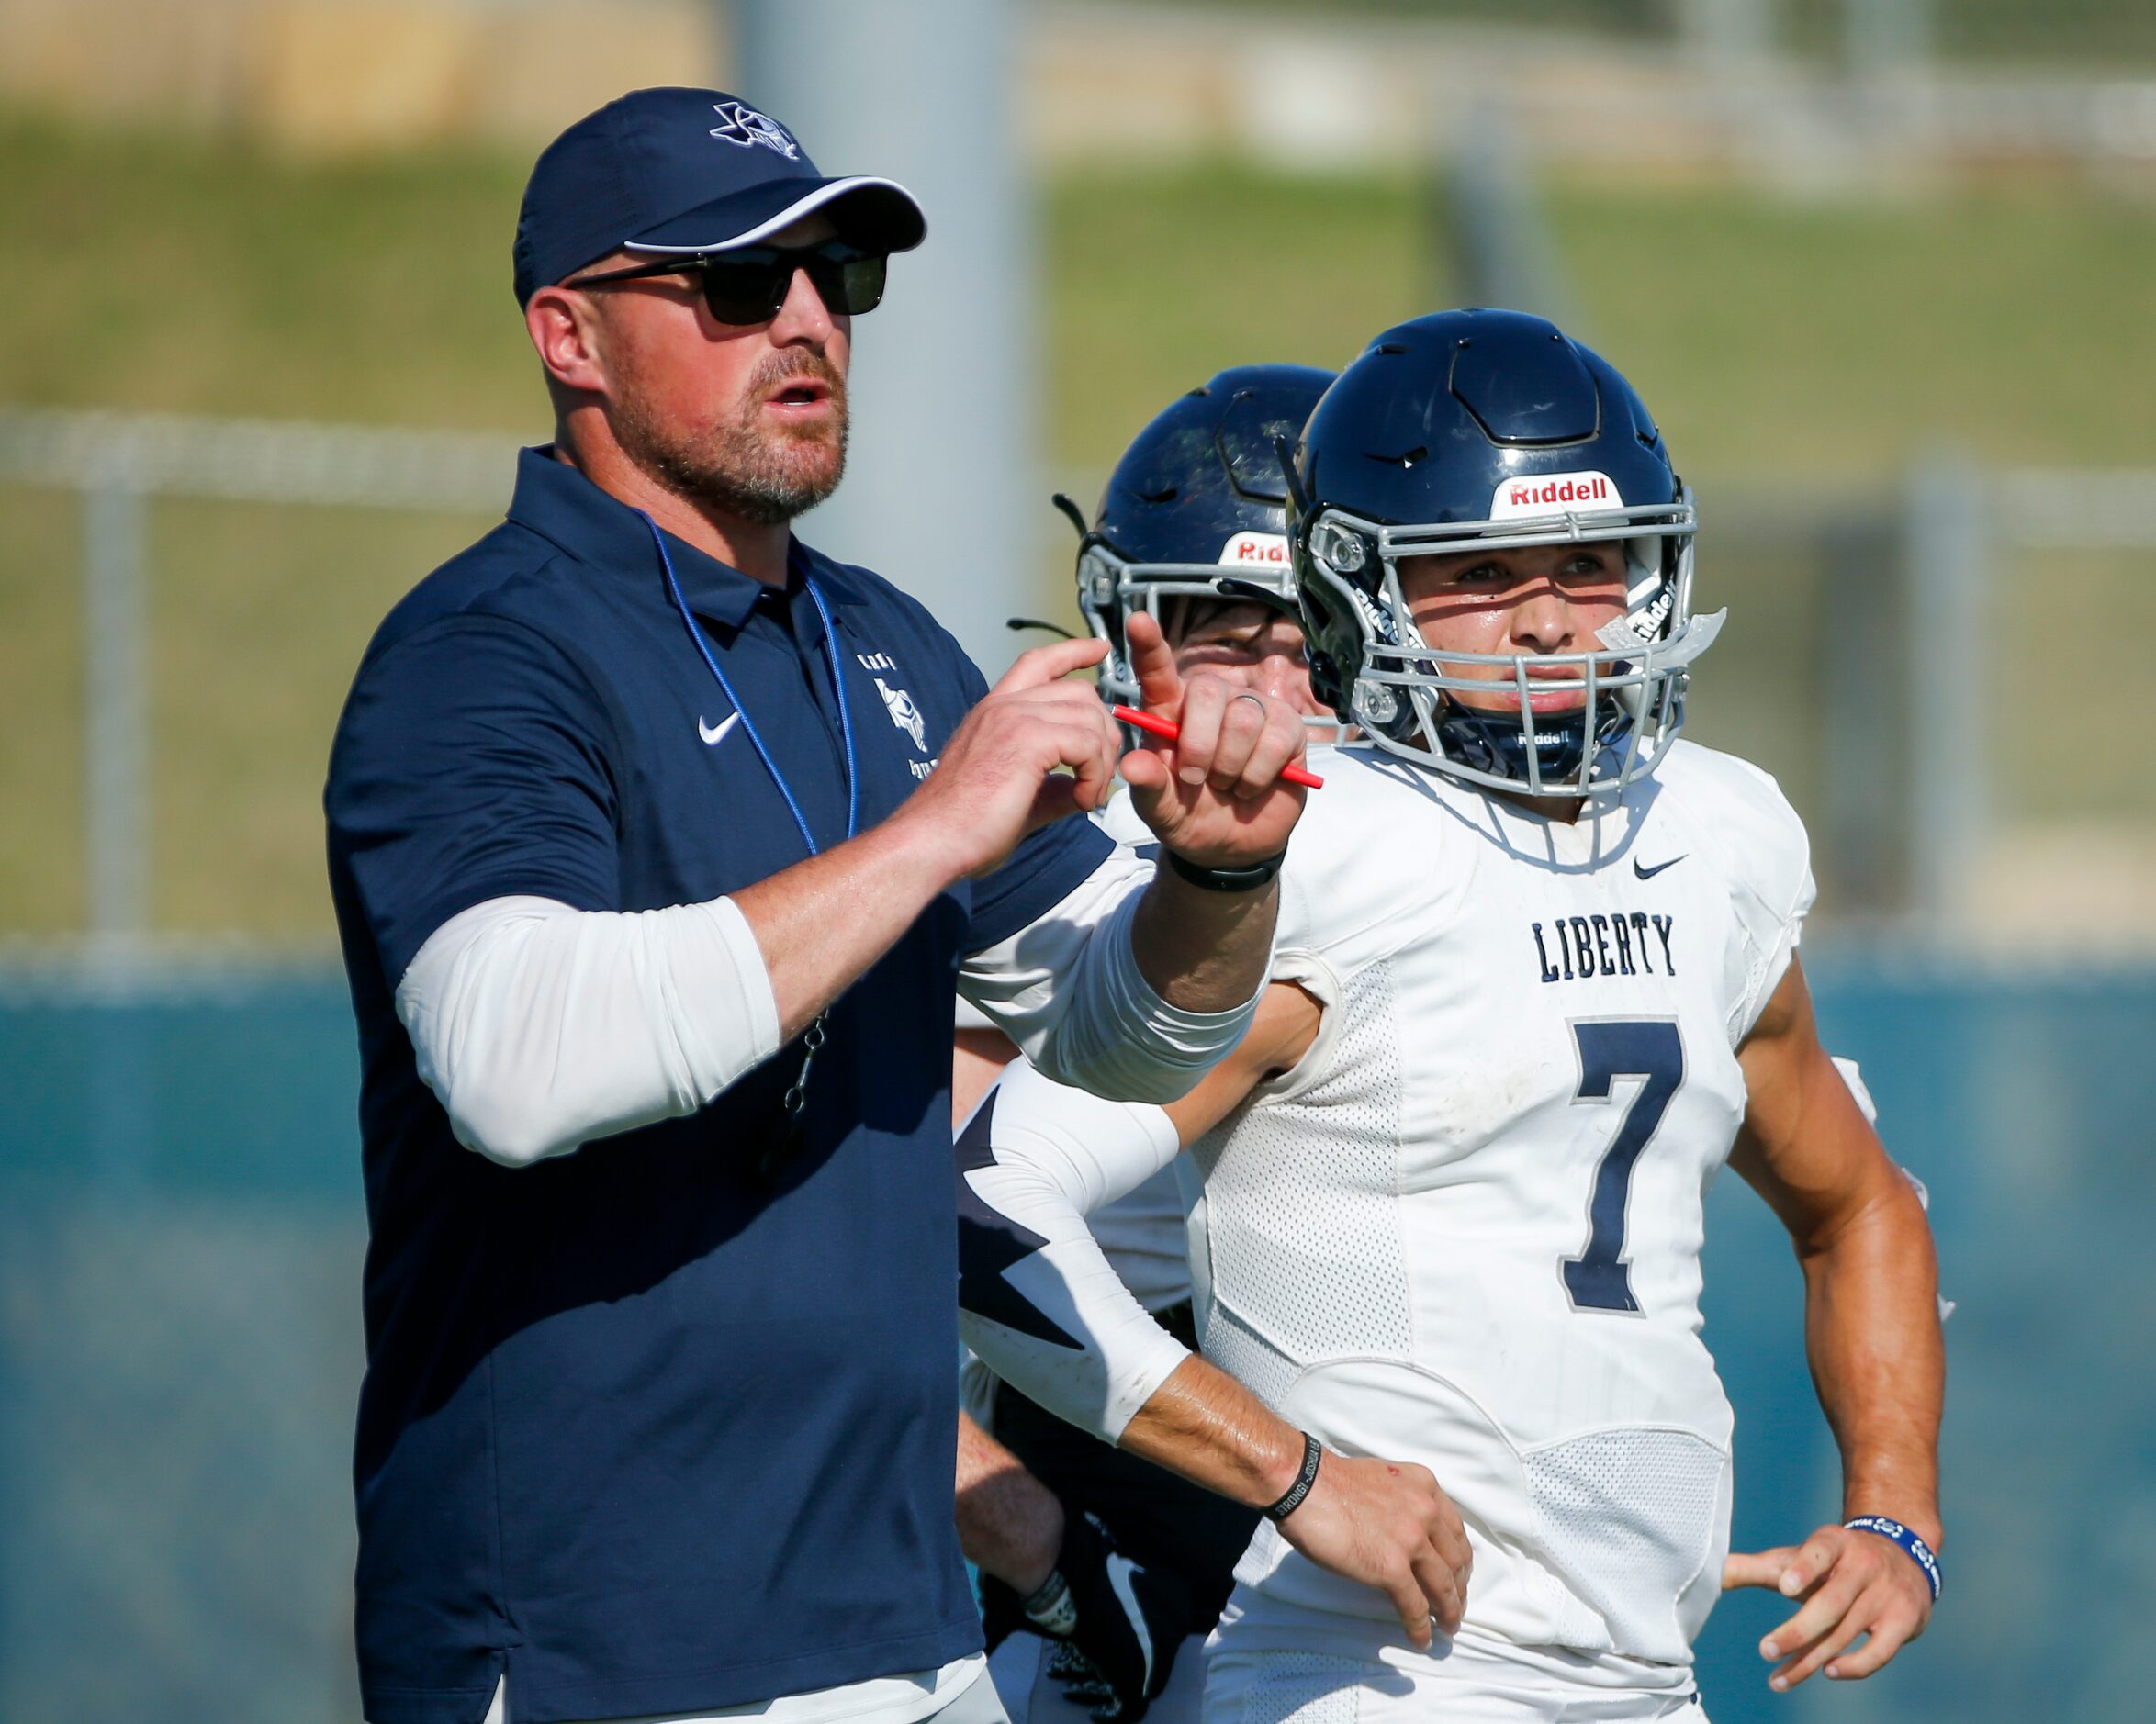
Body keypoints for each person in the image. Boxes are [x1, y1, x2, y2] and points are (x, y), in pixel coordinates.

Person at [322, 85, 1336, 1724]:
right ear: (568, 335)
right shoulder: (480, 652)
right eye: (733, 283)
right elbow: (515, 1066)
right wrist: (936, 830)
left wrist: (1219, 870)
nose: (804, 319)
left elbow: (1126, 1039)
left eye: (835, 274)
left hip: (905, 1628)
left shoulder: (888, 645)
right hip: (603, 1650)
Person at [958, 310, 1946, 1721]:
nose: (1547, 617)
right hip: (1379, 1672)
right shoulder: (1323, 849)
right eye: (1478, 572)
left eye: (1589, 565)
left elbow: (1859, 1206)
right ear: (1366, 594)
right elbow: (988, 1205)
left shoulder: (1717, 831)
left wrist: (1898, 1510)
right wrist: (1295, 1474)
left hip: (1649, 1679)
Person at [950, 367, 1341, 1724]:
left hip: (1371, 1434)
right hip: (1119, 1453)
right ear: (1134, 628)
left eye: (1320, 634)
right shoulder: (1044, 835)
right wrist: (1040, 1543)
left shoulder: (1426, 842)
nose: (1278, 685)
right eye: (1233, 635)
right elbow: (894, 1238)